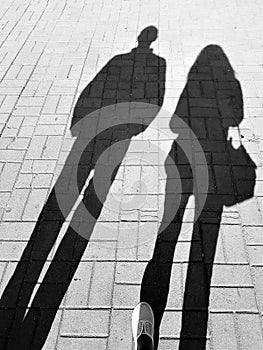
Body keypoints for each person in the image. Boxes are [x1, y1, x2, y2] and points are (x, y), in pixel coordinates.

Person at [0, 27, 166, 350]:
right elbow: (155, 101)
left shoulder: (123, 58)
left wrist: (83, 119)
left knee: (65, 198)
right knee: (93, 192)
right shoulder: (157, 64)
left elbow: (94, 88)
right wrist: (134, 124)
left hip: (93, 136)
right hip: (119, 135)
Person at [133, 45, 256, 350]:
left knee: (167, 236)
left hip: (182, 162)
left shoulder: (192, 80)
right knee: (200, 235)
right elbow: (237, 114)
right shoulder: (233, 83)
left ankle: (146, 343)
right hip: (213, 165)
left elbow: (175, 123)